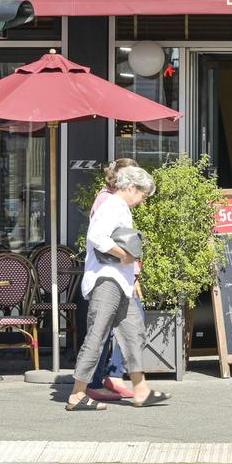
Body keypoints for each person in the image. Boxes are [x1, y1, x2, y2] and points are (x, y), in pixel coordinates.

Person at [66, 165, 170, 411]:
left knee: (133, 332)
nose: (143, 201)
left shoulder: (119, 206)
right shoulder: (113, 205)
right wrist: (123, 255)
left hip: (120, 282)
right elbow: (96, 236)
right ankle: (77, 394)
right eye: (143, 194)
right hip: (107, 280)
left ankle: (141, 390)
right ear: (132, 187)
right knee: (98, 334)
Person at [85, 158, 137, 402]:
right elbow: (100, 237)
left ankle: (110, 377)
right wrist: (125, 257)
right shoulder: (108, 200)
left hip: (119, 274)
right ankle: (95, 382)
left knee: (111, 328)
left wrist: (133, 272)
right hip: (108, 274)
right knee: (102, 330)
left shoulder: (116, 200)